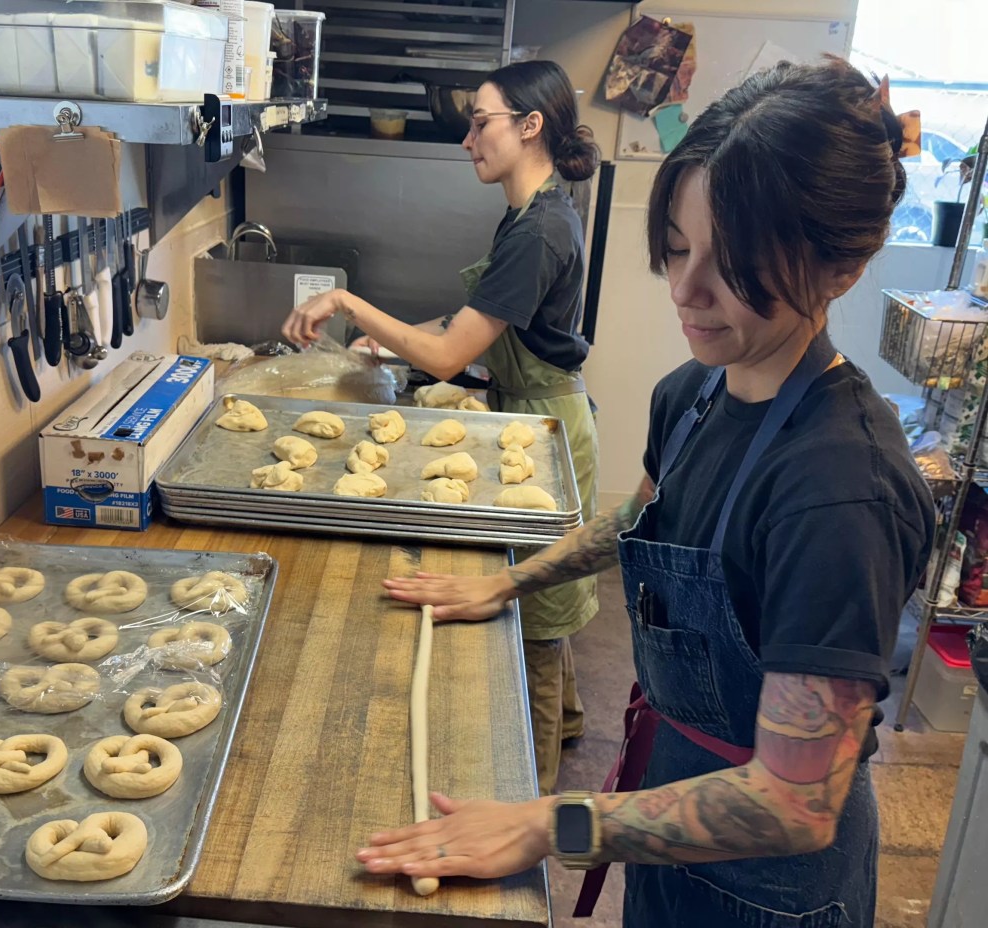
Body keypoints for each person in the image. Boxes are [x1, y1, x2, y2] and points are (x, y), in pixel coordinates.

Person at [365, 58, 936, 926]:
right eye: (675, 247)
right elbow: (642, 516)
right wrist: (508, 580)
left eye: (734, 265)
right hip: (669, 811)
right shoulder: (696, 390)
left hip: (770, 894)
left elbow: (796, 801)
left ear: (840, 267)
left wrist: (547, 823)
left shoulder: (841, 491)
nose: (686, 289)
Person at [282, 61, 601, 794]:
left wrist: (351, 305)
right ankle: (573, 721)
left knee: (539, 623)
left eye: (480, 122)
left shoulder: (540, 228)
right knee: (549, 597)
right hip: (533, 413)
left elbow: (454, 355)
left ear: (530, 126)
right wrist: (382, 342)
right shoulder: (531, 212)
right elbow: (475, 324)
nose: (467, 140)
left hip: (544, 428)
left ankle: (534, 804)